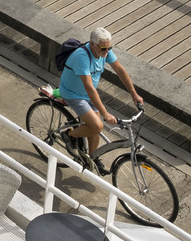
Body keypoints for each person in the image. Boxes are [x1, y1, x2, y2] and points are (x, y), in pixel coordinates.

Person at [57, 27, 142, 174]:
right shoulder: (82, 57)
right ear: (92, 44)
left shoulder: (103, 51)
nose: (107, 51)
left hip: (88, 95)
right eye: (103, 48)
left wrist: (134, 94)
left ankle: (92, 158)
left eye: (109, 47)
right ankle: (68, 135)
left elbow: (120, 70)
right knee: (97, 125)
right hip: (74, 94)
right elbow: (89, 87)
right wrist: (105, 113)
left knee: (95, 128)